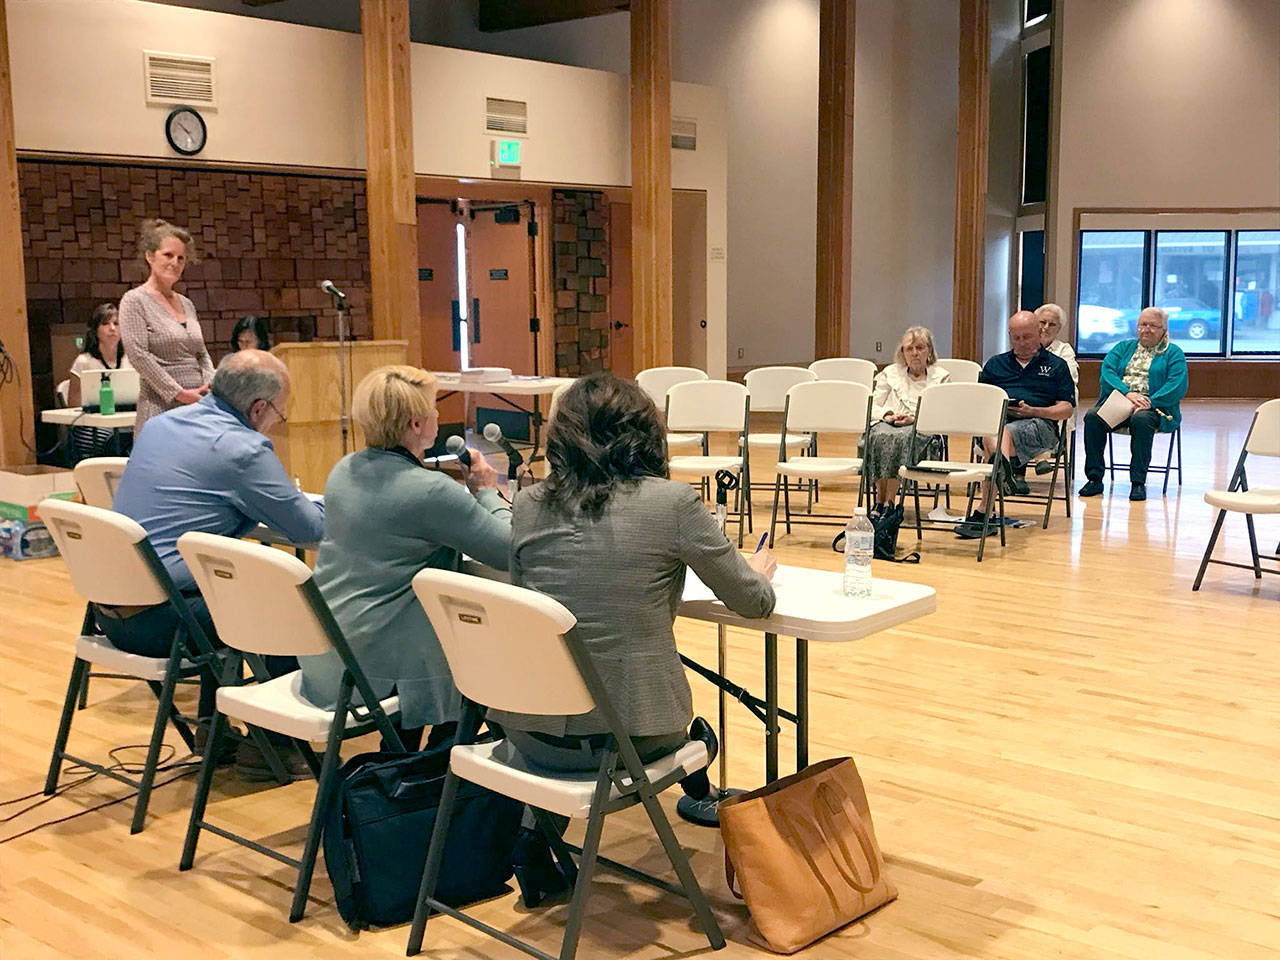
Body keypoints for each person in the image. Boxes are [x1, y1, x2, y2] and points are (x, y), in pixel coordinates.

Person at [110, 350, 324, 778]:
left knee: (226, 588)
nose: (274, 422)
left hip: (112, 612)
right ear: (258, 408)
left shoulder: (159, 425)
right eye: (278, 413)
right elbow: (308, 529)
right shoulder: (241, 448)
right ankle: (276, 746)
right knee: (280, 606)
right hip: (162, 625)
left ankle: (213, 728)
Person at [300, 366, 511, 752]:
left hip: (328, 651)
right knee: (485, 654)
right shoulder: (428, 491)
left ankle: (412, 764)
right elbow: (508, 549)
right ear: (417, 424)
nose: (436, 416)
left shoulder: (343, 471)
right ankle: (442, 774)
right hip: (374, 668)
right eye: (432, 409)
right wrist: (486, 490)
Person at [958, 311, 1076, 538]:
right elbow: (980, 401)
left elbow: (1067, 409)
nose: (1022, 343)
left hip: (1039, 424)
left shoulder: (1056, 366)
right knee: (996, 431)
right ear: (1009, 336)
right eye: (1016, 338)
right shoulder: (995, 365)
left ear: (1039, 333)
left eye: (1028, 337)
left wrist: (1034, 410)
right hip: (999, 423)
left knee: (996, 436)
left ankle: (988, 509)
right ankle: (991, 498)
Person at [1079, 306, 1188, 502]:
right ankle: (1094, 479)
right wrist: (1127, 393)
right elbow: (1107, 372)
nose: (1146, 329)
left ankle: (1138, 482)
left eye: (1153, 325)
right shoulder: (1123, 347)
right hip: (1121, 401)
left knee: (1141, 419)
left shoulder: (1173, 353)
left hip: (1155, 408)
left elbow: (1176, 384)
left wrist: (1149, 401)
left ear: (1164, 329)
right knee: (1093, 417)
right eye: (1142, 325)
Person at [118, 218, 214, 434]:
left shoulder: (187, 304)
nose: (175, 262)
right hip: (161, 408)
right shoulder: (134, 300)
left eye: (181, 258)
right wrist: (178, 393)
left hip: (199, 406)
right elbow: (138, 355)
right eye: (168, 255)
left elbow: (201, 352)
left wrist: (209, 383)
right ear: (150, 256)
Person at [864, 326, 950, 511]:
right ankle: (879, 499)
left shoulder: (941, 377)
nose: (915, 353)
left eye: (920, 348)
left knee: (901, 438)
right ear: (902, 352)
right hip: (889, 422)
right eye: (909, 349)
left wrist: (914, 419)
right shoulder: (890, 373)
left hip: (921, 429)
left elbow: (941, 413)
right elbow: (873, 405)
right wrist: (888, 415)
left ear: (930, 351)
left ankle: (890, 501)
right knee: (877, 435)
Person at [67, 304, 134, 460]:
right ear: (95, 331)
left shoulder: (130, 360)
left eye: (116, 324)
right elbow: (73, 404)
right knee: (116, 439)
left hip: (124, 423)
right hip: (90, 427)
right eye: (105, 324)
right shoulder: (83, 361)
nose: (112, 328)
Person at [1035, 302, 1079, 386]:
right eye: (1043, 322)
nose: (1046, 327)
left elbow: (1069, 380)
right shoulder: (1025, 347)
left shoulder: (1064, 350)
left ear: (1059, 329)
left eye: (1052, 324)